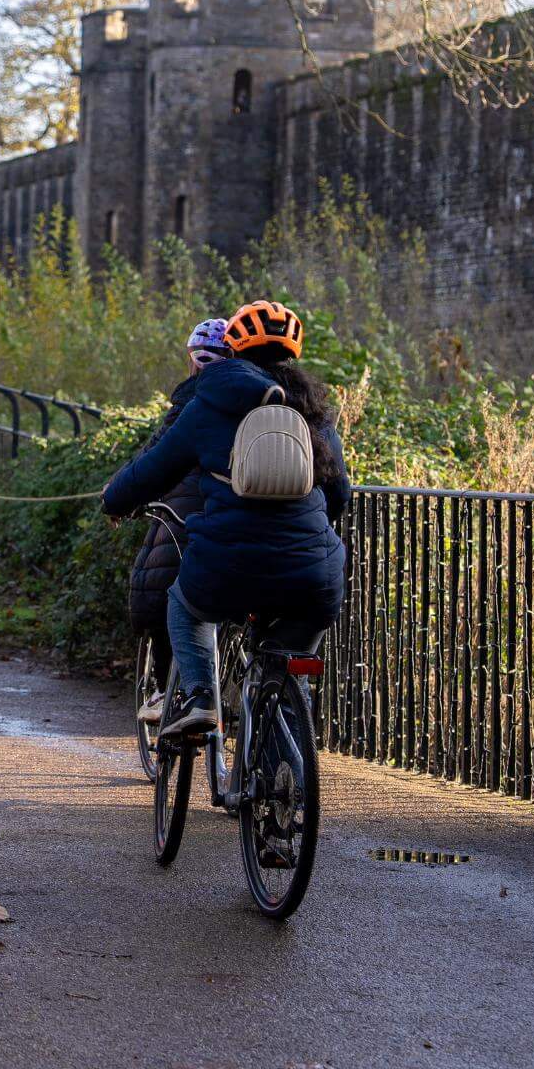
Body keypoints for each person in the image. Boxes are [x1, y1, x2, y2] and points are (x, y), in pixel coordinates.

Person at [101, 299, 349, 740]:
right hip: (314, 572)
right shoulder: (314, 413)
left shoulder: (209, 404)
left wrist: (115, 500)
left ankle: (200, 697)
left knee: (184, 606)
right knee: (289, 670)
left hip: (227, 566)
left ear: (233, 350)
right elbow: (339, 497)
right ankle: (284, 781)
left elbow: (152, 470)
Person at [113, 317, 233, 724]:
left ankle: (171, 693)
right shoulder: (271, 401)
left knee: (168, 598)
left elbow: (154, 460)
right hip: (244, 522)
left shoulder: (191, 407)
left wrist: (119, 498)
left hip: (183, 519)